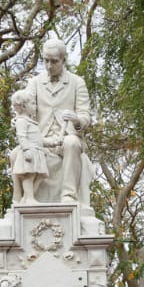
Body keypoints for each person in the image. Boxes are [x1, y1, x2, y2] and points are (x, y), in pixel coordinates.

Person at [20, 37, 92, 204]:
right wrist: (19, 119)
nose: (48, 66)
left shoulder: (77, 82)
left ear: (64, 60)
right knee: (19, 152)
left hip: (65, 138)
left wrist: (76, 120)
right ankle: (25, 198)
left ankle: (68, 195)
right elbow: (23, 105)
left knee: (72, 143)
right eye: (46, 61)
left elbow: (85, 116)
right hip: (41, 139)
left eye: (54, 61)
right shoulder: (35, 82)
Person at [9, 90, 50, 205]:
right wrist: (26, 150)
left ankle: (26, 197)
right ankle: (29, 198)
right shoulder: (21, 121)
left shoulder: (30, 122)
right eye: (33, 103)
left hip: (37, 151)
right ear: (23, 106)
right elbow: (21, 136)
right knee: (29, 175)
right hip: (30, 151)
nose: (35, 106)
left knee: (42, 175)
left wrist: (54, 142)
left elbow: (39, 139)